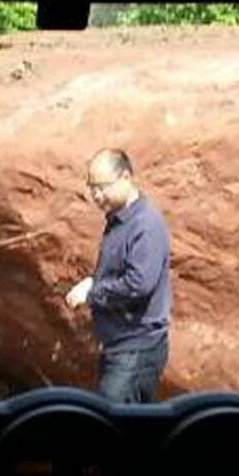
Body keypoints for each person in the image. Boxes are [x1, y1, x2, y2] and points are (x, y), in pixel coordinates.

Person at [64, 149, 173, 403]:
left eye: (102, 187)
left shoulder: (145, 225)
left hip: (136, 349)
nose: (96, 196)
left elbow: (139, 284)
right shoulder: (118, 221)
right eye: (92, 188)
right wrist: (94, 280)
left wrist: (93, 293)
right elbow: (119, 270)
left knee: (110, 419)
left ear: (126, 177)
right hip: (118, 346)